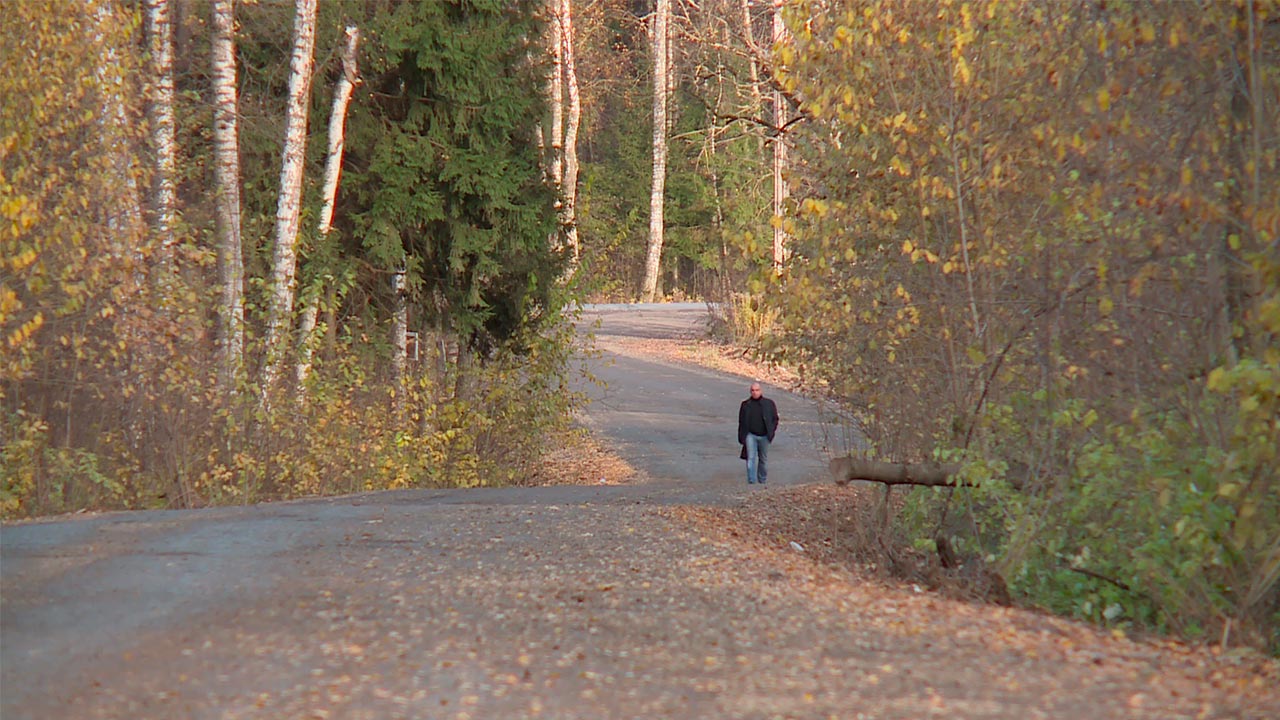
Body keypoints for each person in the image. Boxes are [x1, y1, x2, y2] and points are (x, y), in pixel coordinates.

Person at [737, 382, 779, 485]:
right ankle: (751, 480)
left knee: (763, 459)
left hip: (764, 435)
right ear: (750, 392)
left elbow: (775, 419)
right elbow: (741, 421)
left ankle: (762, 480)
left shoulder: (769, 404)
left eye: (757, 390)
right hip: (750, 435)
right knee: (751, 458)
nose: (755, 392)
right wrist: (742, 436)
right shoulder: (746, 405)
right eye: (753, 390)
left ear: (761, 391)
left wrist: (771, 432)